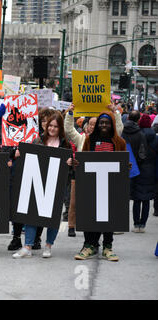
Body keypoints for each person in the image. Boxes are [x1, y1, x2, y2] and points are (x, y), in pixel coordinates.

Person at [13, 111, 73, 259]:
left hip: (56, 183)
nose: (52, 129)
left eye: (56, 126)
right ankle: (27, 246)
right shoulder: (38, 140)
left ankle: (48, 246)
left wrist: (70, 163)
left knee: (53, 216)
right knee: (31, 215)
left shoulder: (66, 145)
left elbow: (71, 166)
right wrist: (18, 154)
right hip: (37, 182)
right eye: (50, 125)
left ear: (60, 128)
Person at [74, 111, 127, 262]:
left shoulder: (119, 141)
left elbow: (122, 161)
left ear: (112, 125)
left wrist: (125, 167)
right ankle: (89, 245)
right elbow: (83, 158)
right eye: (101, 123)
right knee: (90, 216)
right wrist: (78, 163)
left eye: (107, 123)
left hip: (111, 186)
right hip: (92, 185)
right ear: (98, 125)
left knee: (109, 216)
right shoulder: (90, 140)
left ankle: (108, 247)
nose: (104, 125)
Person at [64, 103, 123, 237]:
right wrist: (70, 113)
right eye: (91, 124)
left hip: (103, 178)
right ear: (87, 126)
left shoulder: (111, 138)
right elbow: (68, 130)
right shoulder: (82, 138)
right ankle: (72, 226)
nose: (93, 126)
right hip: (82, 176)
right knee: (74, 202)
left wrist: (116, 113)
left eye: (96, 124)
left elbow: (119, 129)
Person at [128, 113, 157, 232]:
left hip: (138, 169)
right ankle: (143, 225)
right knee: (146, 199)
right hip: (151, 171)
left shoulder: (138, 135)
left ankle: (136, 224)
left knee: (137, 198)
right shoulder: (155, 138)